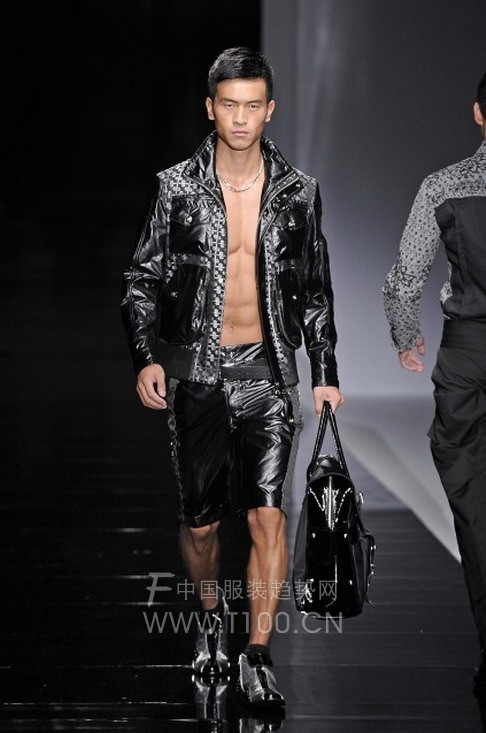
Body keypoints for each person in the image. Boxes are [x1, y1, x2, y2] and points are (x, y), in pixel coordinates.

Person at [121, 47, 344, 707]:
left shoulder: (299, 191)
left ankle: (257, 655)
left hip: (269, 375)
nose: (241, 118)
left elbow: (315, 291)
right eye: (229, 105)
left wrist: (324, 370)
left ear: (269, 110)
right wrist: (146, 355)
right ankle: (212, 617)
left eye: (253, 105)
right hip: (199, 376)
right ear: (210, 108)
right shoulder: (175, 188)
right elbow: (139, 279)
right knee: (200, 525)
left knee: (268, 516)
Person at [383, 73, 486, 697]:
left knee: (474, 505)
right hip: (468, 356)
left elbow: (406, 276)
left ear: (478, 114)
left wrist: (405, 335)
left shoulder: (446, 186)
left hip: (468, 356)